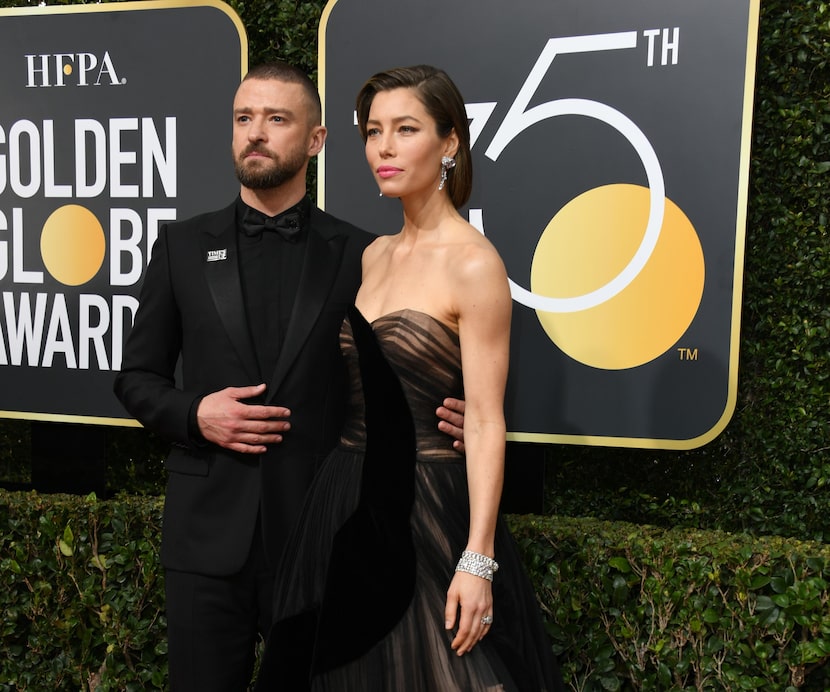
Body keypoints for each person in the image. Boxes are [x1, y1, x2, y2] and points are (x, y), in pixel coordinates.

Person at [113, 61, 466, 692]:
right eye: (244, 118)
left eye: (277, 119)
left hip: (322, 538)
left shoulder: (363, 254)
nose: (256, 133)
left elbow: (401, 367)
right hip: (204, 540)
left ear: (316, 140)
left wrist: (448, 414)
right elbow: (137, 376)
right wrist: (196, 415)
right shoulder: (182, 246)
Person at [255, 65, 564, 691]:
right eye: (373, 132)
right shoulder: (372, 255)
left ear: (450, 143)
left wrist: (478, 558)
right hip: (345, 498)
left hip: (427, 509)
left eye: (406, 129)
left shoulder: (475, 265)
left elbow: (482, 419)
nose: (384, 149)